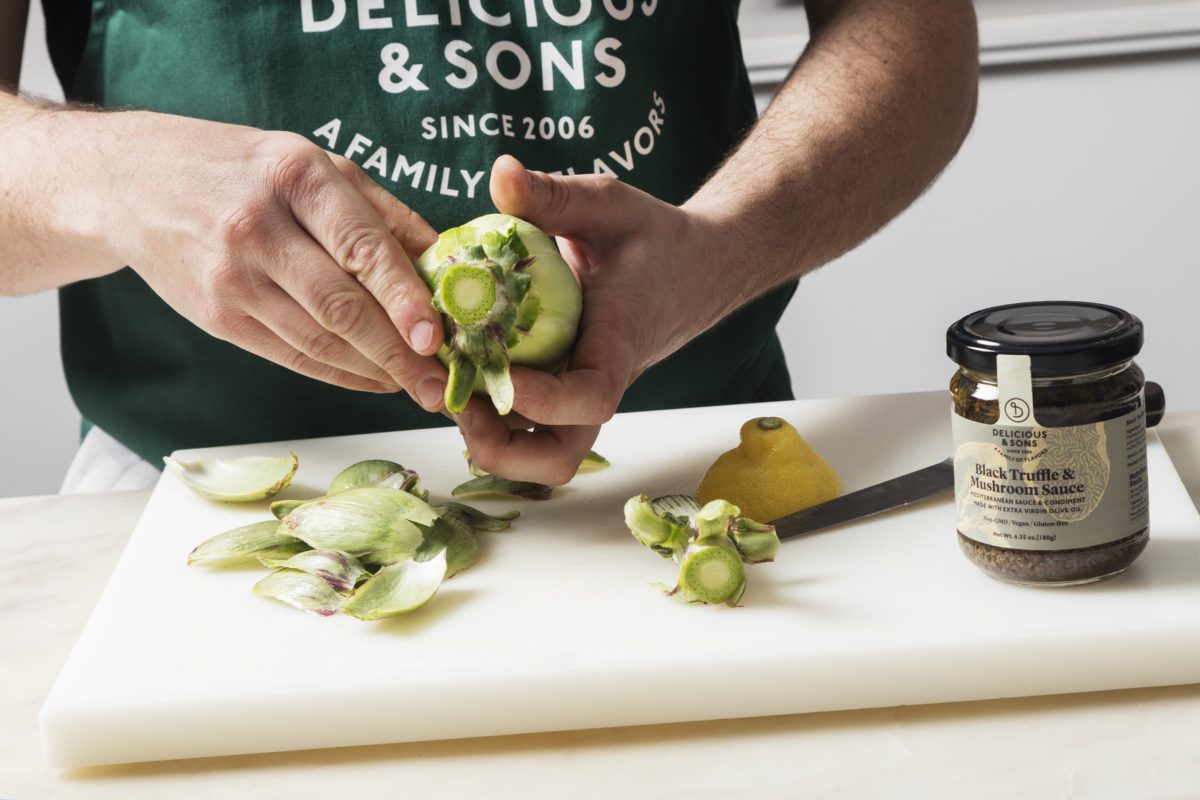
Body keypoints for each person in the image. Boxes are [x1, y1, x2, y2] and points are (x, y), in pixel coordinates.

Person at [0, 0, 978, 490]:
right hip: (190, 501)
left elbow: (916, 32)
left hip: (689, 471)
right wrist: (117, 180)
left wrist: (722, 245)